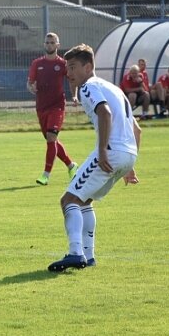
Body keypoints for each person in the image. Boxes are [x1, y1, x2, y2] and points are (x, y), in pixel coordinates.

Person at [48, 44, 140, 272]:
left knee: (68, 201)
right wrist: (130, 165)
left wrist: (102, 151)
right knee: (84, 200)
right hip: (127, 153)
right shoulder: (114, 88)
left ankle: (75, 253)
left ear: (88, 66)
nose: (69, 73)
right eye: (67, 68)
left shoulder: (89, 86)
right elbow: (137, 129)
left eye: (73, 67)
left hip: (111, 151)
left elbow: (104, 112)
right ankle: (87, 256)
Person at [26, 32, 78, 186]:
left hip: (57, 106)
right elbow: (29, 83)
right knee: (52, 140)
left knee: (51, 137)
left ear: (58, 45)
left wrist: (74, 96)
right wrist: (31, 88)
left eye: (52, 42)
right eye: (47, 42)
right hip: (41, 107)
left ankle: (45, 175)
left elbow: (72, 81)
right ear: (44, 44)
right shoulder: (37, 63)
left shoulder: (63, 64)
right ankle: (71, 165)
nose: (49, 45)